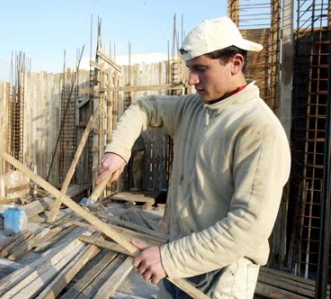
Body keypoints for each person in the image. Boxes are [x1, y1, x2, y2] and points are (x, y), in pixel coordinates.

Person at [96, 16, 291, 298]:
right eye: (190, 69)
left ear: (236, 63)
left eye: (201, 69)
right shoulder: (195, 108)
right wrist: (118, 149)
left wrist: (169, 258)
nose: (191, 80)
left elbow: (248, 226)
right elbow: (144, 107)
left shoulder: (259, 130)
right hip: (178, 258)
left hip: (222, 276)